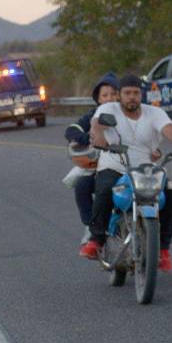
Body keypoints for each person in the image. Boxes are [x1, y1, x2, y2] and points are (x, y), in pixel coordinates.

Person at [80, 73, 172, 271]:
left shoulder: (154, 113)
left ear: (141, 95)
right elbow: (96, 124)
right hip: (115, 165)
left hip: (147, 169)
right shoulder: (108, 108)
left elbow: (169, 129)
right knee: (104, 190)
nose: (132, 97)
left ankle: (162, 251)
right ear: (119, 95)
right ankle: (96, 239)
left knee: (170, 195)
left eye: (136, 93)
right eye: (127, 93)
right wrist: (99, 135)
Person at [64, 72, 119, 243]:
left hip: (131, 165)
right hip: (103, 168)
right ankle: (91, 226)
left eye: (113, 93)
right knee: (82, 185)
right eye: (105, 95)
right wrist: (88, 137)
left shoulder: (130, 112)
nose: (110, 98)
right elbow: (71, 130)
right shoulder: (93, 116)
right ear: (99, 98)